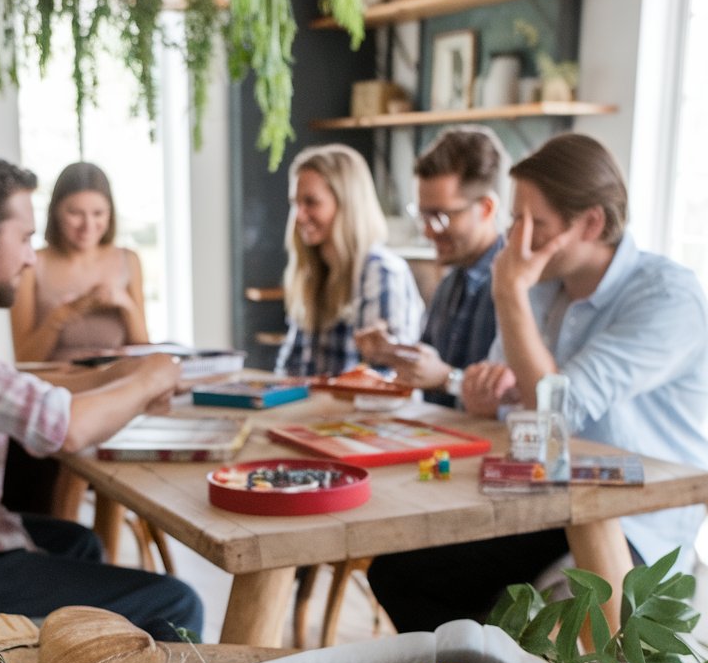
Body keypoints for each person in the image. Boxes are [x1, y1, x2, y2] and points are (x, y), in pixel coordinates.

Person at [368, 132, 708, 632]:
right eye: (514, 221)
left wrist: (508, 290)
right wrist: (488, 392)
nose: (515, 241)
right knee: (398, 573)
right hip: (544, 500)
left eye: (535, 225)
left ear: (590, 223)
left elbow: (554, 415)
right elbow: (514, 400)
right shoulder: (546, 284)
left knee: (545, 624)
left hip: (634, 520)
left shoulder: (667, 298)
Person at [0, 146, 203, 641]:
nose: (31, 256)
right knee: (175, 604)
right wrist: (152, 376)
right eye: (25, 237)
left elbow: (10, 386)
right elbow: (63, 428)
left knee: (77, 543)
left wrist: (121, 377)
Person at [355, 126, 508, 406]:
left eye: (440, 216)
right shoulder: (449, 284)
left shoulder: (517, 288)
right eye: (423, 215)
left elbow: (515, 401)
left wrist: (446, 378)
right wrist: (392, 352)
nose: (428, 231)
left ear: (486, 209)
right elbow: (429, 367)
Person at [274, 143, 423, 377]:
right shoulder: (313, 271)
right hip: (320, 411)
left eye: (311, 202)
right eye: (295, 203)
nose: (299, 215)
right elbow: (290, 369)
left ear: (347, 204)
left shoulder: (381, 271)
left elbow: (386, 377)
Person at [10, 161, 149, 363]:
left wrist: (125, 304)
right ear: (56, 212)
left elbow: (144, 351)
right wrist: (60, 316)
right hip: (59, 388)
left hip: (117, 384)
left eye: (98, 213)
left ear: (110, 213)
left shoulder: (129, 260)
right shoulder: (31, 264)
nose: (88, 225)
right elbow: (24, 360)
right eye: (75, 213)